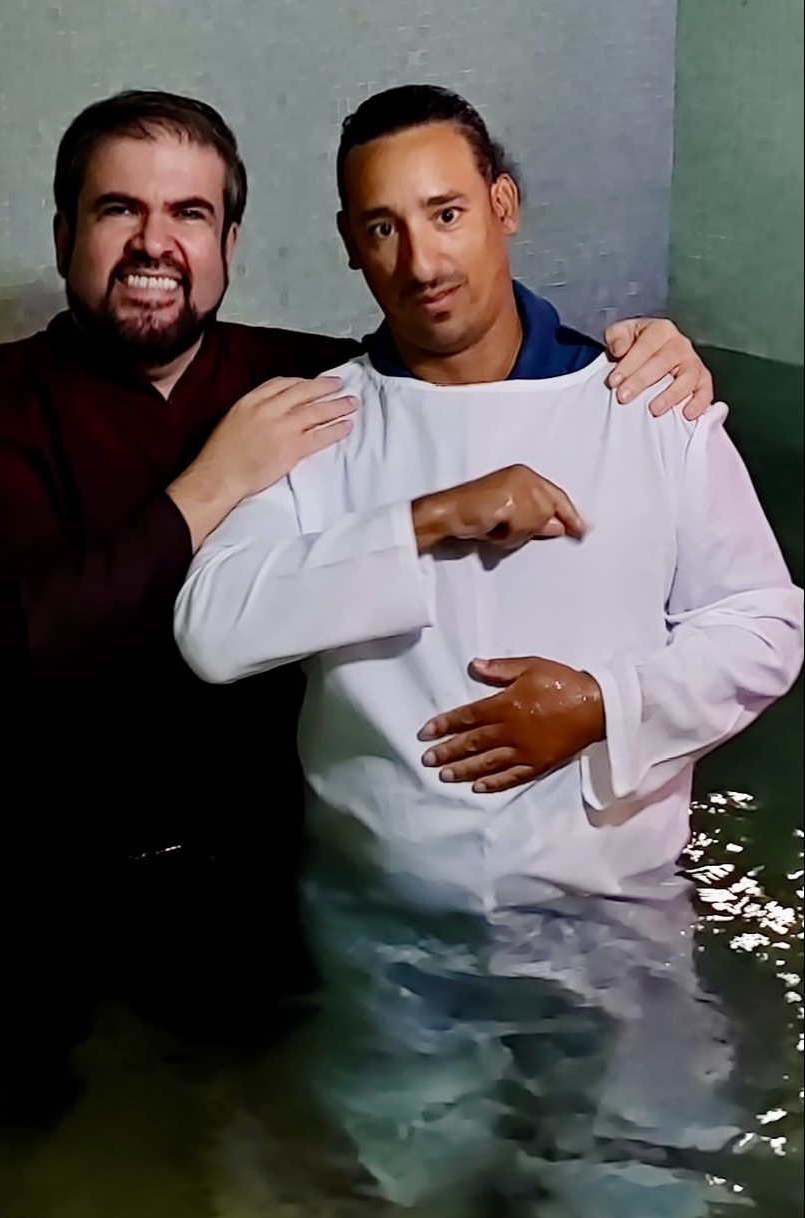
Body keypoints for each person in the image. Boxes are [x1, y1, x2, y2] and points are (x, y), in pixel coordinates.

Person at [0, 88, 713, 1131]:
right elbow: (20, 649)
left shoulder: (302, 379)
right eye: (119, 210)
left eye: (190, 214)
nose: (155, 244)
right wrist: (211, 486)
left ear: (229, 243)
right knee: (45, 1157)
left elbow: (454, 360)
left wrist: (640, 366)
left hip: (259, 879)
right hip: (44, 889)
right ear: (64, 231)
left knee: (265, 1139)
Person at [173, 85, 804, 1214]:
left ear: (504, 206)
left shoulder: (644, 404)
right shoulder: (321, 427)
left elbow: (766, 621)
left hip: (615, 913)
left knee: (642, 1184)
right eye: (383, 227)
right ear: (349, 245)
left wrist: (604, 705)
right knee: (407, 1186)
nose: (421, 261)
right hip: (390, 929)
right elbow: (213, 630)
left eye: (447, 213)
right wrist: (426, 518)